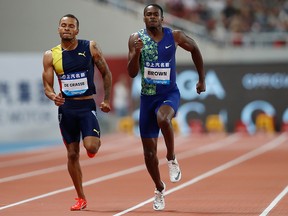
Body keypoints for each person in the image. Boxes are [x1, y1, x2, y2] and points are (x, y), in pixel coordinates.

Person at [127, 4, 206, 211]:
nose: (152, 17)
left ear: (162, 19)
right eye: (148, 15)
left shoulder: (175, 36)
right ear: (144, 18)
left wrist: (201, 79)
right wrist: (136, 53)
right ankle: (159, 188)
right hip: (147, 98)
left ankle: (171, 157)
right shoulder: (136, 39)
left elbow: (195, 48)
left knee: (164, 119)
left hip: (169, 94)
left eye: (155, 15)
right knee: (149, 154)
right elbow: (132, 73)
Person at [42, 14, 112, 211]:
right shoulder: (50, 55)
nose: (67, 29)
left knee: (91, 147)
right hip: (67, 109)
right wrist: (52, 95)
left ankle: (92, 144)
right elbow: (47, 84)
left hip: (86, 106)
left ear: (77, 30)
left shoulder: (89, 47)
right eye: (63, 25)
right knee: (72, 154)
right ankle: (81, 197)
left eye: (71, 26)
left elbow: (106, 72)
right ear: (58, 29)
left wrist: (106, 99)